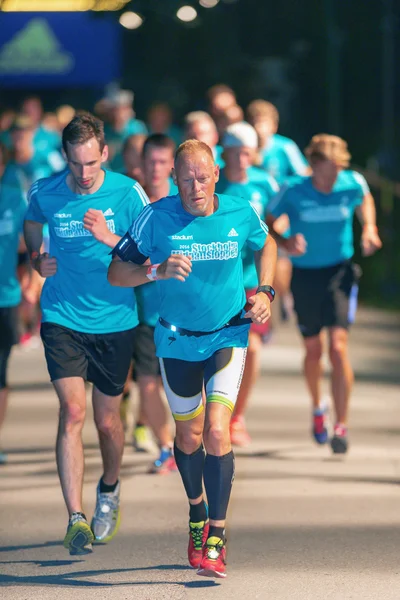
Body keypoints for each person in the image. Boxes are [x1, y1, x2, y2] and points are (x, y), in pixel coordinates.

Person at [108, 139, 277, 578]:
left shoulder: (239, 211)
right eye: (186, 178)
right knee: (189, 437)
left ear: (216, 174)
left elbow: (268, 244)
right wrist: (155, 270)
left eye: (202, 177)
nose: (194, 187)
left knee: (217, 432)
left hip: (227, 335)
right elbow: (116, 271)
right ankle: (197, 514)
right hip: (177, 340)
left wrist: (265, 291)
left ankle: (217, 538)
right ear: (175, 179)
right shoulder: (156, 217)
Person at [23, 113, 149, 555]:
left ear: (105, 155)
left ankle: (109, 489)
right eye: (76, 164)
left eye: (91, 164)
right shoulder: (45, 190)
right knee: (72, 412)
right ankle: (76, 517)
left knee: (107, 421)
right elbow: (32, 221)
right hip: (62, 316)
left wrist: (108, 235)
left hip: (115, 321)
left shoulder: (129, 193)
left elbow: (147, 257)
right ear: (65, 157)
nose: (83, 174)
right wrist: (37, 259)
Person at [266, 134, 382, 454]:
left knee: (339, 347)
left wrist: (369, 228)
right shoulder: (293, 189)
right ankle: (319, 406)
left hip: (339, 271)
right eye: (327, 172)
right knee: (314, 349)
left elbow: (365, 198)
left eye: (337, 171)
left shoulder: (351, 182)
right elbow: (268, 219)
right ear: (313, 166)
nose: (333, 179)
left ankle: (341, 425)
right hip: (305, 276)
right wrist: (286, 242)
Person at [216, 122, 279, 447]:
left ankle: (237, 417)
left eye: (247, 153)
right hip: (218, 279)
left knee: (251, 349)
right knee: (214, 350)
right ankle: (214, 415)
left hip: (252, 281)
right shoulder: (216, 180)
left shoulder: (264, 181)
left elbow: (276, 220)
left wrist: (285, 232)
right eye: (235, 152)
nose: (241, 159)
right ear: (224, 152)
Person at [130, 133, 179, 473]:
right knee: (147, 382)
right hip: (143, 313)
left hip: (184, 312)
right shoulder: (132, 206)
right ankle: (166, 446)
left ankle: (192, 443)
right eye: (152, 162)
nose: (157, 169)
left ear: (173, 167)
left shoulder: (185, 205)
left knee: (185, 385)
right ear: (142, 166)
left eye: (164, 162)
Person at [0, 156, 27, 465]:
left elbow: (26, 246)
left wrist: (28, 287)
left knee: (0, 371)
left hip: (5, 298)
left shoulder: (12, 198)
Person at [246, 99, 309, 184]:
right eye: (254, 123)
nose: (258, 128)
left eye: (263, 123)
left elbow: (303, 175)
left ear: (274, 126)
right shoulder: (243, 148)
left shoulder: (286, 146)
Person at [103, 89, 147, 173]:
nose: (118, 113)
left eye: (123, 108)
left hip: (132, 173)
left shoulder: (137, 127)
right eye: (114, 109)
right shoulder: (106, 129)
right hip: (111, 173)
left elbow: (141, 153)